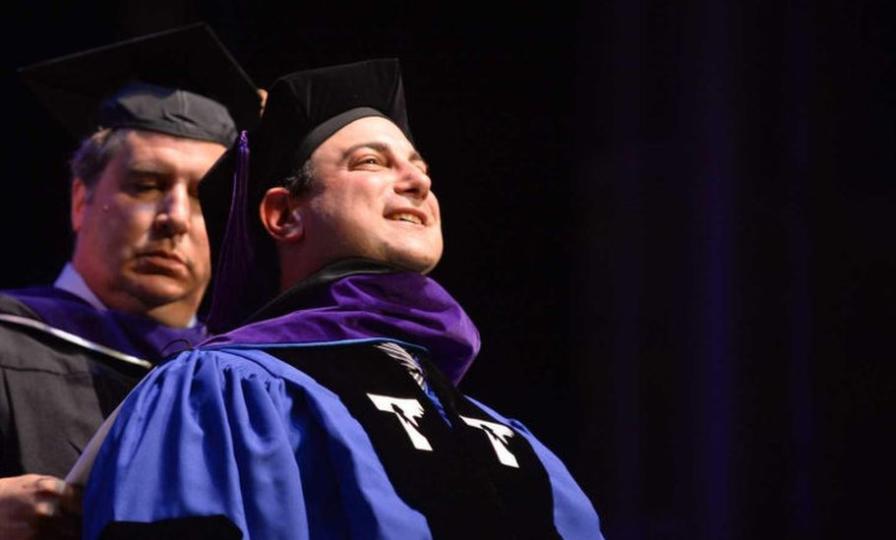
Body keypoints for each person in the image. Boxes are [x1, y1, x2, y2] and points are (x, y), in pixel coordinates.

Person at [82, 58, 603, 539]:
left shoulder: (506, 436)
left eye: (420, 167)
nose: (417, 181)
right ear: (284, 215)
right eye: (372, 162)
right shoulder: (218, 391)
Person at [0, 24, 261, 539]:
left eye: (205, 197)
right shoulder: (9, 337)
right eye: (146, 186)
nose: (176, 218)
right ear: (81, 199)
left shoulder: (246, 380)